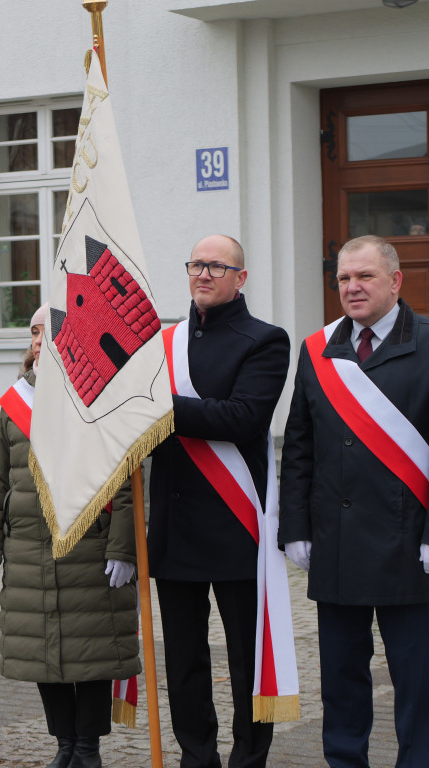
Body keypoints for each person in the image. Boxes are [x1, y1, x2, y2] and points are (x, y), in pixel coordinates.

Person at [279, 234, 429, 768]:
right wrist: (295, 526)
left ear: (394, 282)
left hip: (409, 544)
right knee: (341, 680)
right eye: (343, 278)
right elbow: (299, 445)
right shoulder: (317, 350)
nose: (351, 287)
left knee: (413, 682)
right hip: (338, 545)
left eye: (364, 276)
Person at [0, 303, 140, 768]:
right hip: (28, 550)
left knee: (91, 656)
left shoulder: (102, 399)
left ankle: (88, 749)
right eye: (33, 333)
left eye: (51, 331)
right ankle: (64, 745)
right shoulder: (14, 403)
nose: (40, 340)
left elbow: (125, 482)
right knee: (41, 656)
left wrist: (123, 547)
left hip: (89, 548)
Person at [148, 235, 289, 768]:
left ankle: (249, 759)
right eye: (196, 265)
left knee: (247, 657)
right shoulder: (165, 343)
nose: (203, 274)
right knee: (183, 660)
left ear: (240, 278)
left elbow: (242, 418)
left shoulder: (266, 340)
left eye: (216, 266)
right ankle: (197, 757)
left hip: (236, 523)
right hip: (175, 521)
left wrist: (156, 405)